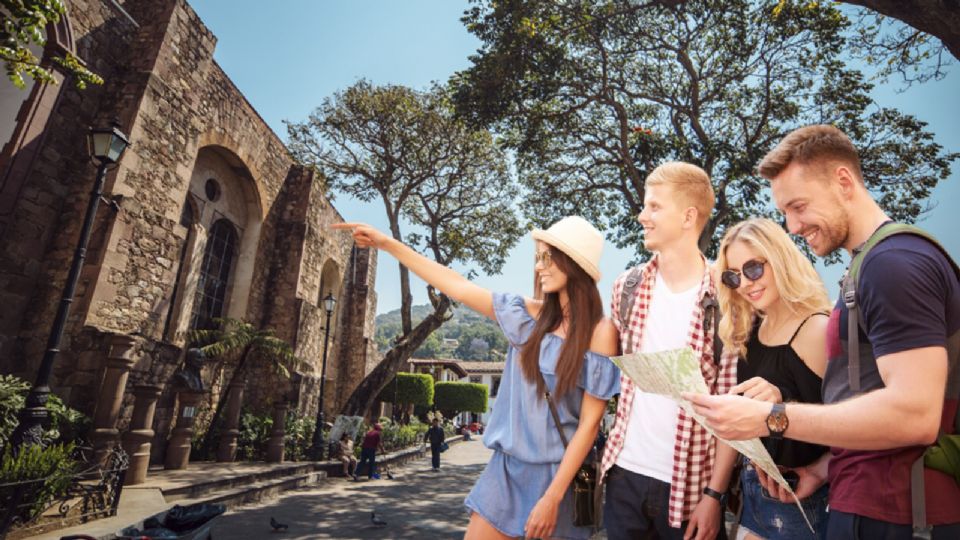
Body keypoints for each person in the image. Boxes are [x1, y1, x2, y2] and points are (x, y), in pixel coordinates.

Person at [685, 124, 960, 539]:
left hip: (900, 515)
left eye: (799, 206)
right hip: (858, 501)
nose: (793, 227)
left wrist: (773, 416)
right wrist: (824, 467)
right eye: (785, 214)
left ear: (843, 181)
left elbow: (916, 416)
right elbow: (865, 409)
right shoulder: (868, 266)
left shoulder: (894, 264)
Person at [333, 216, 620, 540]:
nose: (539, 267)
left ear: (575, 264)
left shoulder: (600, 332)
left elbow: (589, 425)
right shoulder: (523, 315)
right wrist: (387, 244)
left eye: (548, 257)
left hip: (560, 478)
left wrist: (552, 497)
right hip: (505, 471)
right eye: (538, 258)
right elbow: (457, 285)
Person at [600, 161, 739, 540]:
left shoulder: (725, 300)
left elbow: (731, 411)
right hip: (624, 477)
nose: (643, 216)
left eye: (655, 207)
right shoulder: (625, 288)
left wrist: (714, 495)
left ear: (688, 216)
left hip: (691, 489)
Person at [716, 218, 832, 539]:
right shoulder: (750, 332)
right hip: (755, 492)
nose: (745, 283)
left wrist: (781, 403)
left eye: (753, 268)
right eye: (733, 276)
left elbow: (858, 427)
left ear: (780, 258)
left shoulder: (817, 330)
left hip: (804, 499)